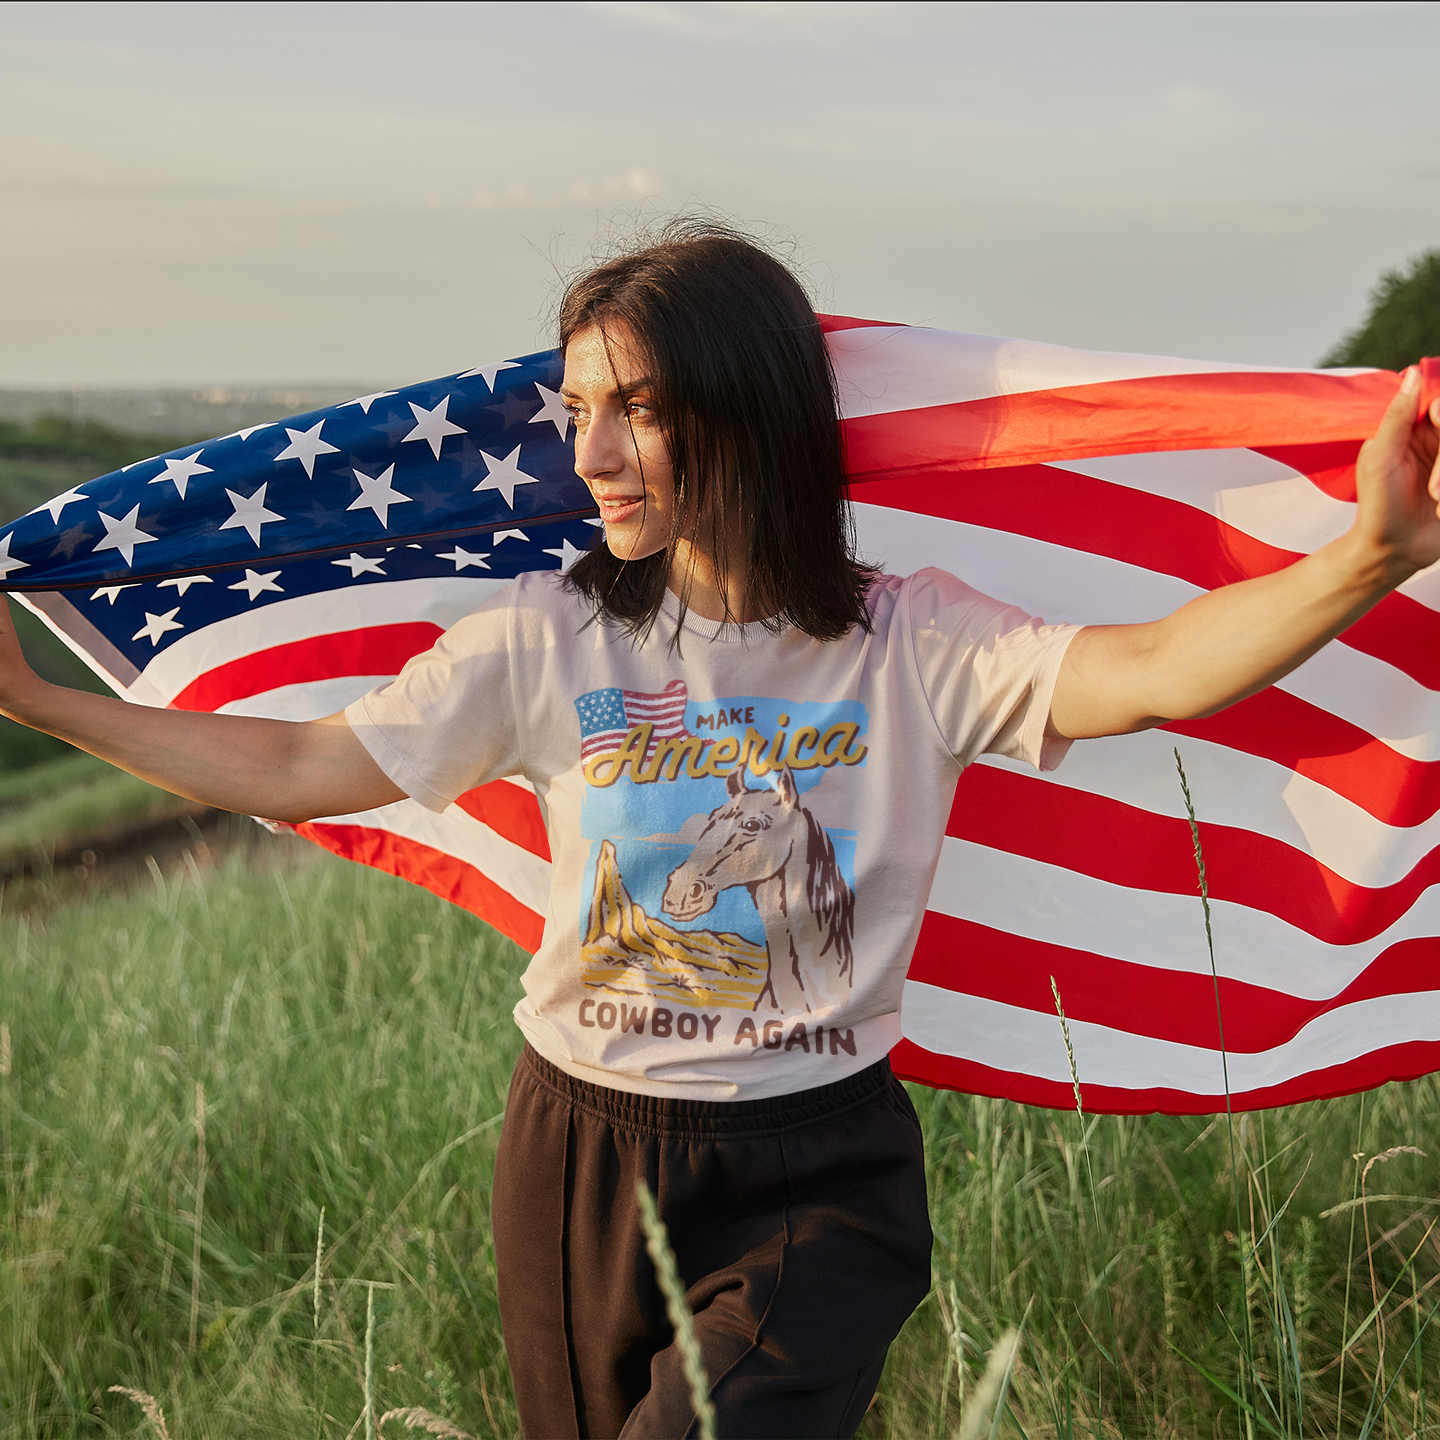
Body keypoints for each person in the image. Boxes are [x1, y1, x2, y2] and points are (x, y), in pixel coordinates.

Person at [2, 221, 1438, 1439]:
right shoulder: (545, 638)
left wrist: (1371, 552)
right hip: (581, 1157)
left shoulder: (909, 641)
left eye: (634, 407)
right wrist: (42, 704)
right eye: (577, 411)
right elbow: (312, 757)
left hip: (821, 1169)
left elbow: (1153, 671)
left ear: (744, 409)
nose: (594, 453)